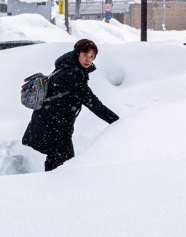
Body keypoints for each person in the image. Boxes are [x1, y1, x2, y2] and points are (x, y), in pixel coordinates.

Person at [22, 38, 119, 171]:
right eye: (85, 55)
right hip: (53, 126)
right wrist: (118, 122)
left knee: (57, 162)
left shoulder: (69, 68)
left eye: (92, 56)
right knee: (66, 167)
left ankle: (48, 187)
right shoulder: (71, 73)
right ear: (77, 53)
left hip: (52, 124)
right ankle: (53, 189)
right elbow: (92, 102)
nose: (89, 60)